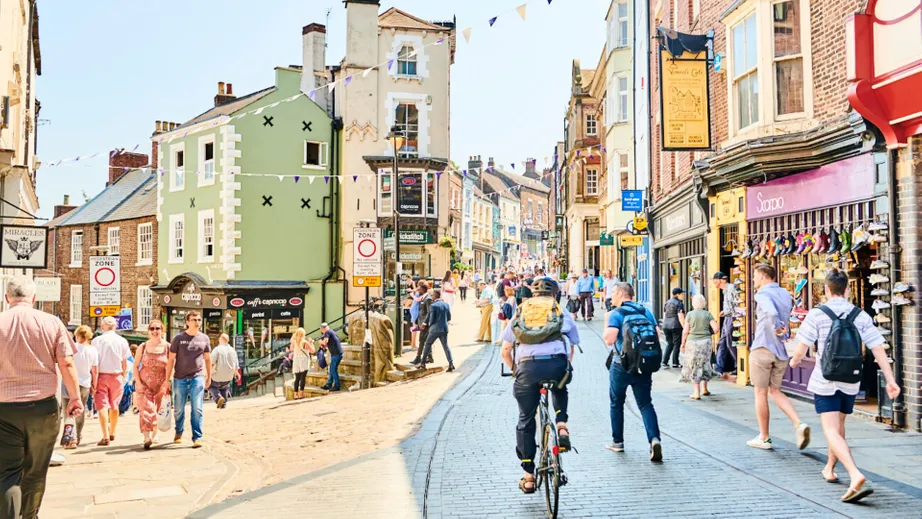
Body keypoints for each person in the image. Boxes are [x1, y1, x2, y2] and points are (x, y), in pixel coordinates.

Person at [790, 269, 900, 504]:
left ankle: (854, 474)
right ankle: (829, 469)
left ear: (827, 290)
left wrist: (793, 361)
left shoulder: (817, 314)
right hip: (850, 380)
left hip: (825, 379)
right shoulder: (860, 315)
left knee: (830, 430)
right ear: (848, 289)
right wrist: (890, 381)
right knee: (839, 428)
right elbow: (878, 349)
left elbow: (801, 349)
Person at [0, 277, 84, 519]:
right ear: (34, 298)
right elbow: (66, 362)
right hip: (42, 408)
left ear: (7, 298)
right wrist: (76, 397)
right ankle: (29, 515)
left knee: (7, 471)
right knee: (36, 471)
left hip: (4, 408)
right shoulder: (51, 322)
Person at [500, 278, 578, 494]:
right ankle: (561, 423)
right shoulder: (560, 311)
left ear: (532, 295)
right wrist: (565, 366)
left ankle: (529, 476)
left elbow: (505, 350)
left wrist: (517, 371)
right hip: (556, 365)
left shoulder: (521, 311)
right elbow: (570, 347)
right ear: (555, 295)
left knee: (525, 420)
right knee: (561, 385)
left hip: (528, 368)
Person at [747, 263, 810, 451]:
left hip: (763, 347)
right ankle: (798, 423)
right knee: (775, 391)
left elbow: (772, 313)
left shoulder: (762, 294)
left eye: (756, 276)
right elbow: (787, 315)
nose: (754, 280)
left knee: (760, 393)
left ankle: (764, 437)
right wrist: (783, 332)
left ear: (764, 277)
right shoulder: (785, 293)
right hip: (781, 351)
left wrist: (776, 327)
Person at [603, 283, 663, 462]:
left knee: (616, 403)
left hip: (621, 365)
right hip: (643, 365)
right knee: (645, 404)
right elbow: (657, 336)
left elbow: (609, 339)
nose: (611, 296)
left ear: (622, 294)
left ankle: (618, 442)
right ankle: (654, 439)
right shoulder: (646, 312)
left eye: (613, 293)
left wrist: (607, 321)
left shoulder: (616, 314)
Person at [164, 311, 213, 448]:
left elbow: (207, 359)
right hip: (180, 378)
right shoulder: (178, 338)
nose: (197, 322)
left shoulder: (204, 339)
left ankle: (197, 437)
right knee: (179, 409)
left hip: (197, 377)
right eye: (194, 320)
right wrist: (167, 379)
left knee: (197, 408)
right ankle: (179, 432)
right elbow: (171, 359)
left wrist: (209, 376)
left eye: (199, 319)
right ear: (187, 322)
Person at [132, 319, 170, 449]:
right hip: (144, 383)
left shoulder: (167, 347)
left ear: (162, 330)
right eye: (152, 329)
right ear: (148, 331)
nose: (155, 331)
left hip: (161, 384)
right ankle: (146, 437)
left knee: (158, 410)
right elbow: (136, 366)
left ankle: (155, 434)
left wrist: (167, 382)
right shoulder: (142, 347)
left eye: (157, 328)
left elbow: (171, 367)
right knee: (146, 409)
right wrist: (138, 381)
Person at [92, 316, 130, 446]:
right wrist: (124, 376)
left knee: (101, 406)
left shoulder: (97, 341)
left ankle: (105, 435)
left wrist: (93, 380)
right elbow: (124, 362)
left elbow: (94, 362)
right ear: (115, 327)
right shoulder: (122, 341)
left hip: (101, 375)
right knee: (114, 406)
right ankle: (112, 432)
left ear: (103, 326)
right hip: (117, 375)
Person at [60, 325, 98, 449]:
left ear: (76, 336)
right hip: (85, 384)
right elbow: (95, 370)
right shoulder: (93, 350)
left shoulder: (72, 347)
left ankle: (71, 438)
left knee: (68, 412)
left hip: (68, 382)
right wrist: (94, 385)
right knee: (80, 412)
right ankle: (78, 435)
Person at [680, 295, 719, 399]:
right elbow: (716, 329)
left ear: (693, 304)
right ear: (704, 303)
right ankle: (705, 389)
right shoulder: (708, 314)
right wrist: (707, 333)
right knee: (705, 363)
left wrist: (683, 343)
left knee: (694, 365)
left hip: (692, 342)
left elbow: (685, 331)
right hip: (706, 342)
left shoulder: (689, 315)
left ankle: (696, 392)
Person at [420, 290, 455, 371]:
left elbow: (431, 319)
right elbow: (449, 317)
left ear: (434, 296)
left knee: (428, 344)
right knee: (446, 346)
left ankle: (422, 363)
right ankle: (451, 364)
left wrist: (428, 325)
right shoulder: (446, 305)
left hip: (434, 329)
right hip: (444, 329)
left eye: (432, 295)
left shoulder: (433, 306)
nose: (431, 297)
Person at [712, 272, 739, 379]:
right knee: (722, 342)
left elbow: (738, 302)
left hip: (732, 317)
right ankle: (719, 368)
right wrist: (725, 311)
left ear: (720, 280)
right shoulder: (724, 290)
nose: (714, 282)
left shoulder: (731, 288)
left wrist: (734, 314)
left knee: (729, 342)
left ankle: (738, 366)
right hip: (727, 317)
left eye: (715, 279)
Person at [210, 333, 241, 407]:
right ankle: (223, 404)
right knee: (224, 388)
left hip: (217, 376)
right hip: (228, 376)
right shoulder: (233, 350)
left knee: (211, 386)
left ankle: (218, 398)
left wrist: (208, 373)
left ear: (221, 339)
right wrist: (236, 373)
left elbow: (212, 362)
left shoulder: (217, 349)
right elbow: (236, 363)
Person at [662, 287, 686, 369]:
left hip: (666, 325)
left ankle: (664, 361)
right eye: (682, 294)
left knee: (670, 343)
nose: (683, 296)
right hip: (676, 325)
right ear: (677, 294)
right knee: (676, 344)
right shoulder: (679, 304)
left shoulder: (667, 302)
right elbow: (680, 317)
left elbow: (664, 314)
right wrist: (685, 327)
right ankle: (675, 362)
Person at [411, 282, 435, 365]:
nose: (418, 290)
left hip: (425, 324)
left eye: (420, 289)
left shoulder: (428, 299)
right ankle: (429, 357)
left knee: (422, 341)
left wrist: (425, 323)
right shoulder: (423, 298)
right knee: (425, 341)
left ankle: (419, 358)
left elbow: (429, 312)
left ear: (423, 290)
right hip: (421, 323)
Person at [317, 323, 343, 391]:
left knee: (333, 369)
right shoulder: (332, 332)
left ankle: (337, 386)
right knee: (332, 369)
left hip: (336, 354)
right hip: (337, 353)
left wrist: (320, 342)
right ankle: (329, 384)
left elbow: (325, 342)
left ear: (322, 329)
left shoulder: (327, 332)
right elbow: (327, 344)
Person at [289, 328, 313, 399]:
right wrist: (311, 342)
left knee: (297, 378)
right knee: (303, 378)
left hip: (296, 361)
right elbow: (312, 351)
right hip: (304, 361)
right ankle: (301, 393)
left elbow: (291, 349)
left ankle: (295, 394)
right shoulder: (305, 342)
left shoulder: (294, 342)